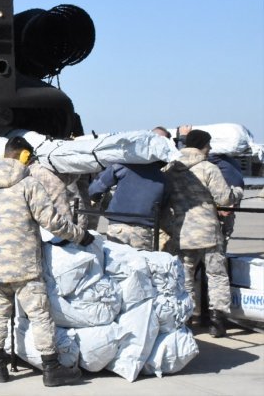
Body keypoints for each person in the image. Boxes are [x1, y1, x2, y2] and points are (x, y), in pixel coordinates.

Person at [0, 137, 94, 387]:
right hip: (25, 265)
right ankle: (51, 369)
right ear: (25, 156)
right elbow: (52, 222)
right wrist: (80, 235)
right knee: (40, 315)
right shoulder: (29, 184)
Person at [162, 129, 234, 337]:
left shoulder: (170, 169)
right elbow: (225, 199)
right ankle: (217, 322)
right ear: (203, 145)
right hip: (209, 232)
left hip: (182, 231)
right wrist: (236, 193)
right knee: (217, 275)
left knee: (185, 278)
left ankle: (186, 321)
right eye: (209, 145)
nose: (210, 149)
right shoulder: (208, 168)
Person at [88, 161, 167, 250]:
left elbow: (96, 188)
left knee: (110, 259)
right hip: (143, 232)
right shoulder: (163, 178)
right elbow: (162, 205)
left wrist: (95, 197)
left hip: (116, 226)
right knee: (140, 262)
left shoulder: (123, 167)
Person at [208, 153, 245, 252]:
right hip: (221, 203)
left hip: (231, 202)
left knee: (226, 233)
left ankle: (221, 254)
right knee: (216, 236)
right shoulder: (214, 157)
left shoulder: (231, 159)